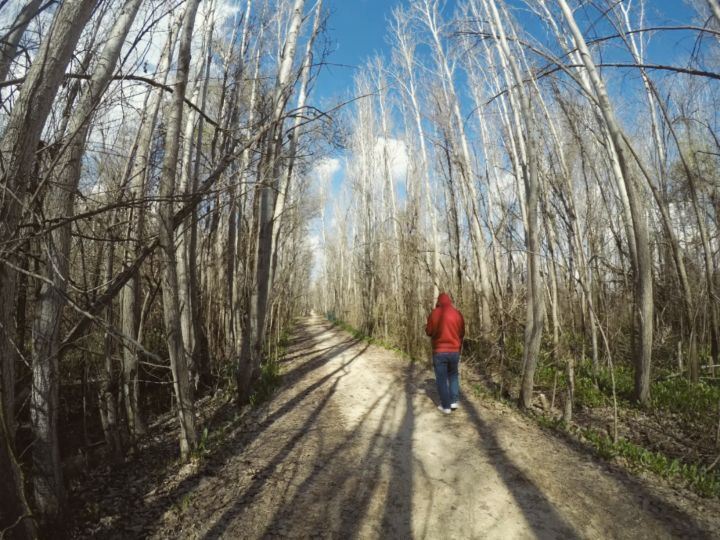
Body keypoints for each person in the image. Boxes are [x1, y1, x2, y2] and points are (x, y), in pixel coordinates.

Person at [425, 292, 465, 414]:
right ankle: (453, 401)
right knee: (453, 375)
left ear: (439, 301)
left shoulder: (434, 313)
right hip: (454, 351)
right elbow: (462, 332)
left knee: (441, 379)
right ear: (449, 301)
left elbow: (429, 331)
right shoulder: (457, 314)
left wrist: (428, 328)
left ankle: (446, 406)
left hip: (439, 352)